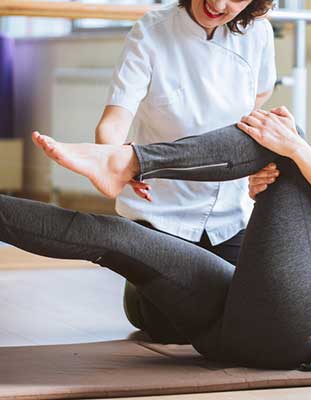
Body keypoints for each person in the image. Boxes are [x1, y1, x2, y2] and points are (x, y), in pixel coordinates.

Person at [1, 107, 311, 370]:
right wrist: (267, 208)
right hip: (243, 325)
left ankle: (131, 161)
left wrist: (294, 153)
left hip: (303, 332)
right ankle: (124, 165)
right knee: (114, 234)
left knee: (288, 136)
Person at [96, 0, 277, 342]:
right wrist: (113, 158)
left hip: (230, 213)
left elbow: (261, 92)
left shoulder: (257, 32)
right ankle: (138, 289)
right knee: (169, 327)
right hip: (162, 213)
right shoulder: (152, 29)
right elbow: (115, 118)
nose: (218, 3)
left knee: (249, 311)